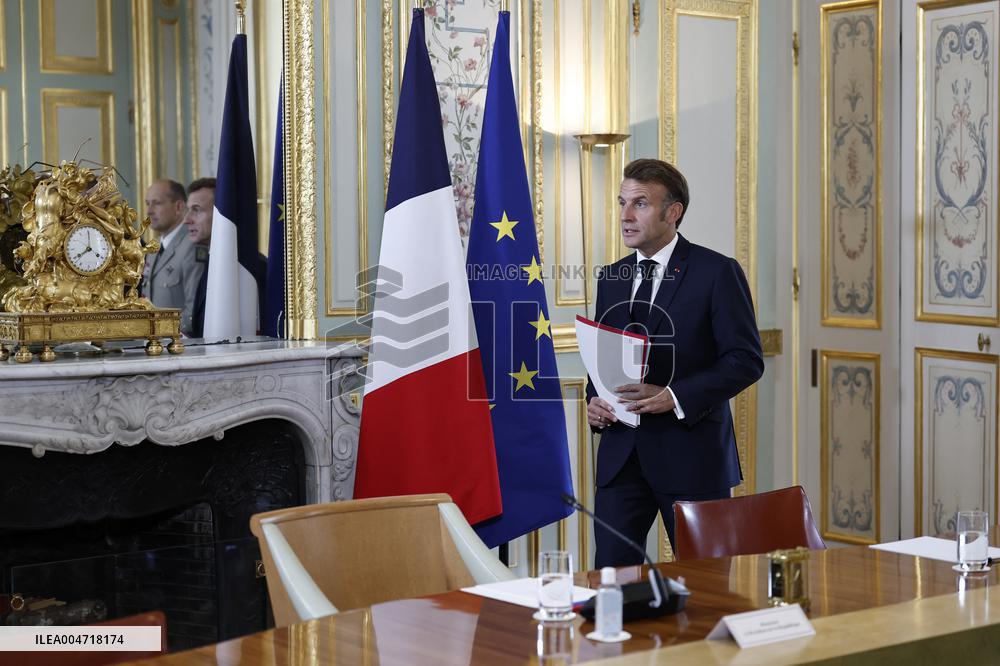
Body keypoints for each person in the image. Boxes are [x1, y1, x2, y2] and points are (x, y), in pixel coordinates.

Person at [586, 158, 763, 567]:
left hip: (692, 457)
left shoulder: (717, 272)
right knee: (613, 581)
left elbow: (746, 360)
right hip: (621, 459)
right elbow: (604, 356)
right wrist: (595, 401)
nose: (626, 216)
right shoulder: (611, 277)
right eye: (622, 202)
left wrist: (674, 396)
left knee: (709, 583)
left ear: (673, 212)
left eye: (640, 204)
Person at [141, 179, 204, 336]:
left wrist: (163, 334)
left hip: (180, 344)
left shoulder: (192, 245)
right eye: (147, 203)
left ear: (178, 207)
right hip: (154, 342)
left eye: (156, 203)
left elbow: (193, 310)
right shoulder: (154, 248)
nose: (149, 211)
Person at [183, 178, 215, 338]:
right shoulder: (209, 261)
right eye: (188, 210)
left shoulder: (248, 270)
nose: (187, 220)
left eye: (196, 210)